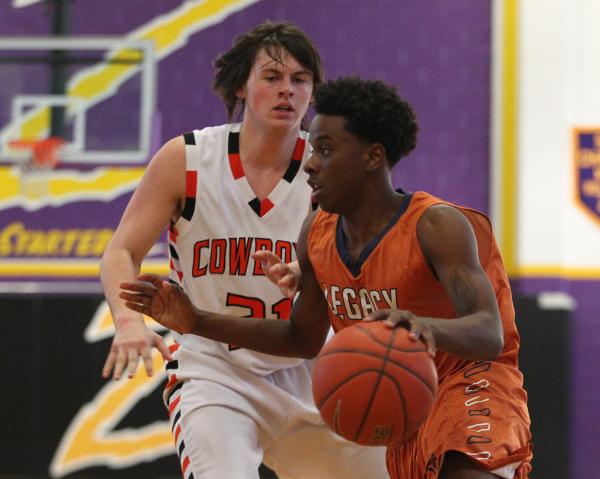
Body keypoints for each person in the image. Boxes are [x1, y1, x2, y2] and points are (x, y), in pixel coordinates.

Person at [120, 76, 533, 478]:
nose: (311, 164)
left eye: (326, 150)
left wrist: (421, 327)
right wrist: (196, 321)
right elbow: (301, 339)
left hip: (469, 380)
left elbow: (488, 332)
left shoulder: (438, 224)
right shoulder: (316, 233)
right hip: (403, 398)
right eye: (313, 149)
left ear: (372, 157)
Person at [100, 24, 387, 479]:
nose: (287, 90)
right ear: (242, 85)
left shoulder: (332, 169)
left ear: (312, 93)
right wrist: (128, 321)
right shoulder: (188, 160)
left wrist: (316, 271)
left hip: (316, 369)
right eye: (272, 77)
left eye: (300, 79)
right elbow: (121, 251)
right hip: (215, 370)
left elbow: (372, 267)